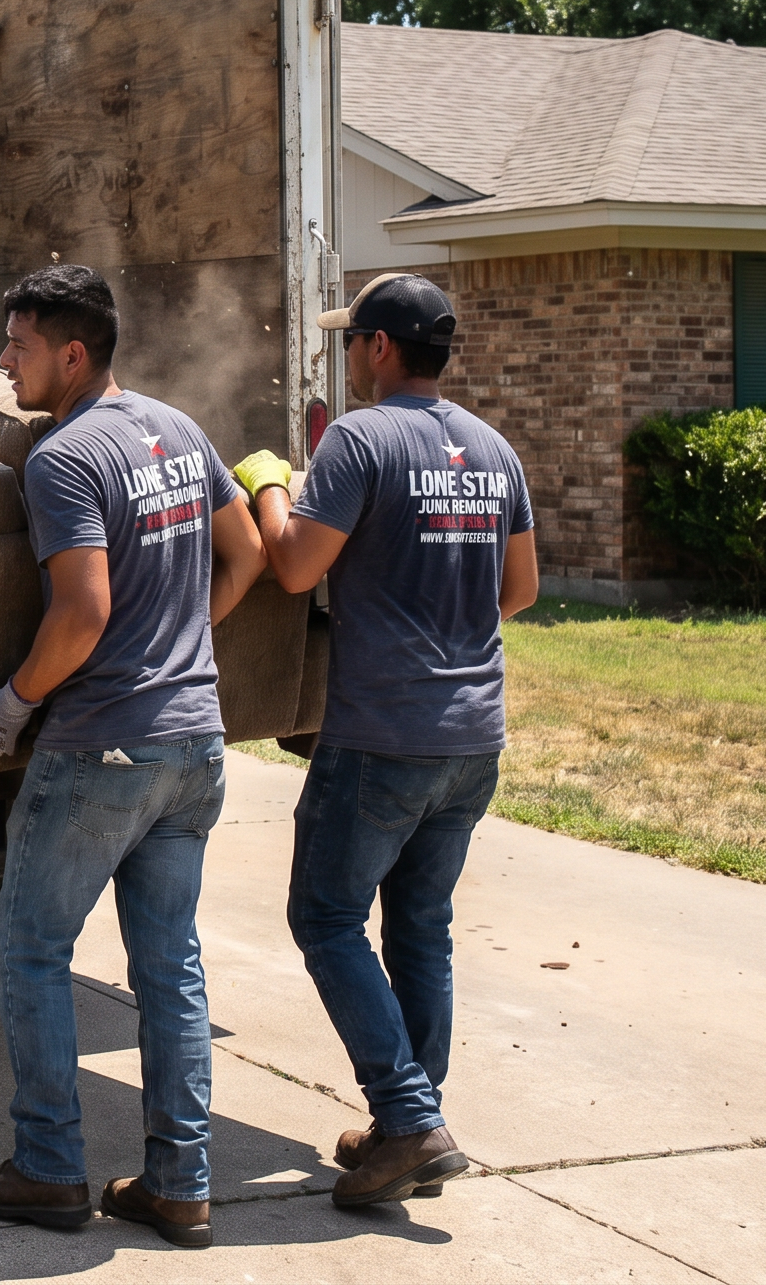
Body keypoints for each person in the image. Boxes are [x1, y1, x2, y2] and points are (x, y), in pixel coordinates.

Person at [0, 264, 265, 1250]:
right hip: (193, 745)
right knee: (169, 968)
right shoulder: (178, 427)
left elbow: (83, 612)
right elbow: (247, 548)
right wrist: (184, 649)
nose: (4, 361)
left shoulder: (63, 457)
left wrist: (16, 699)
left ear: (72, 353)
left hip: (105, 748)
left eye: (19, 345)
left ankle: (48, 1167)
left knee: (34, 949)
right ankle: (180, 1182)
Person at [230, 271, 538, 1209]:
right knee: (421, 929)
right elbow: (520, 591)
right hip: (471, 734)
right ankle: (416, 1123)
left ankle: (407, 1117)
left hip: (380, 736)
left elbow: (291, 567)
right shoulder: (494, 448)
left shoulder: (360, 439)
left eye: (352, 341)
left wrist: (270, 482)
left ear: (379, 348)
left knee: (325, 917)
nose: (350, 357)